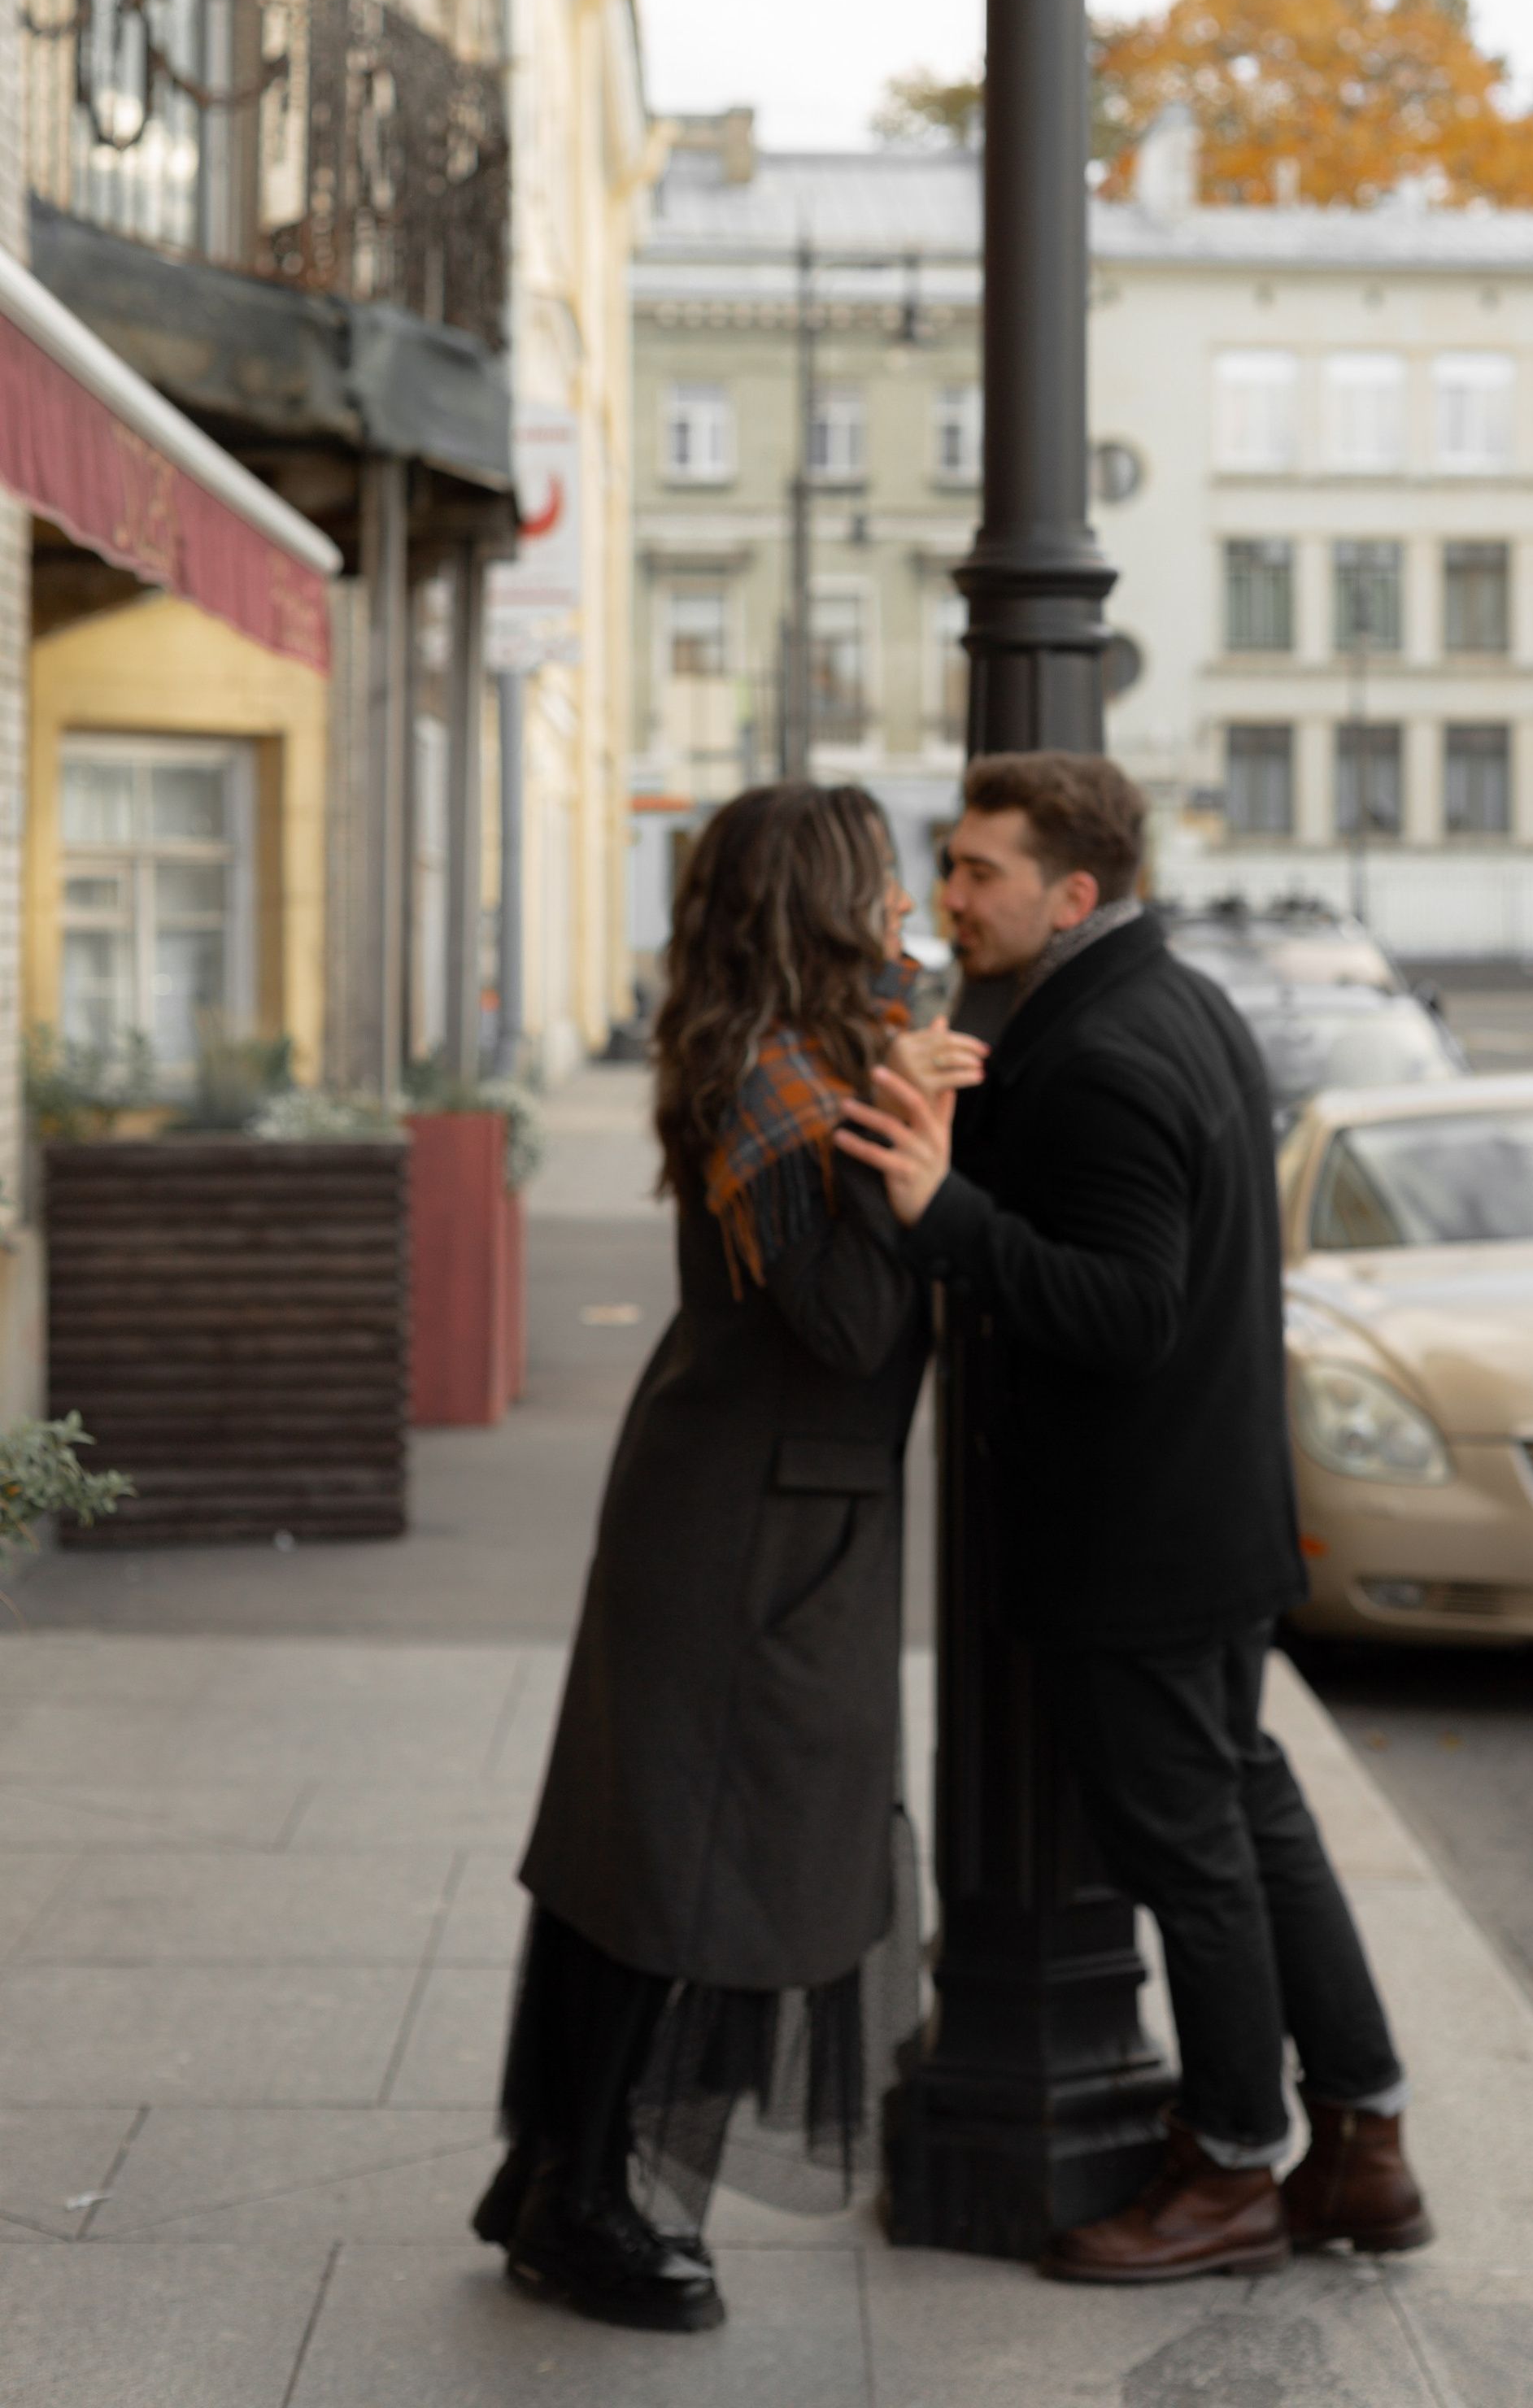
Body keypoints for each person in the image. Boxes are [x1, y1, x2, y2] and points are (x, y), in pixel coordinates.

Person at [839, 749, 1431, 2283]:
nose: (949, 899)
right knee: (1249, 1814)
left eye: (979, 874)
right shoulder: (1164, 1001)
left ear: (1073, 892)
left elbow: (1128, 1311)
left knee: (1196, 1852)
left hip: (1139, 1532)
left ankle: (1235, 2169)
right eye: (953, 866)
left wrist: (943, 1217)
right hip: (1208, 1509)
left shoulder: (1105, 1051)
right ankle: (1363, 2142)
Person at [475, 782, 981, 2332]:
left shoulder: (799, 1054)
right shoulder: (778, 1077)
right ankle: (588, 2206)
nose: (905, 905)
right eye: (881, 881)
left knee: (646, 1854)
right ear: (821, 898)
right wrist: (921, 1141)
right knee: (679, 1873)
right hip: (747, 1522)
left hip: (748, 1500)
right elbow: (848, 1325)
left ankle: (551, 2176)